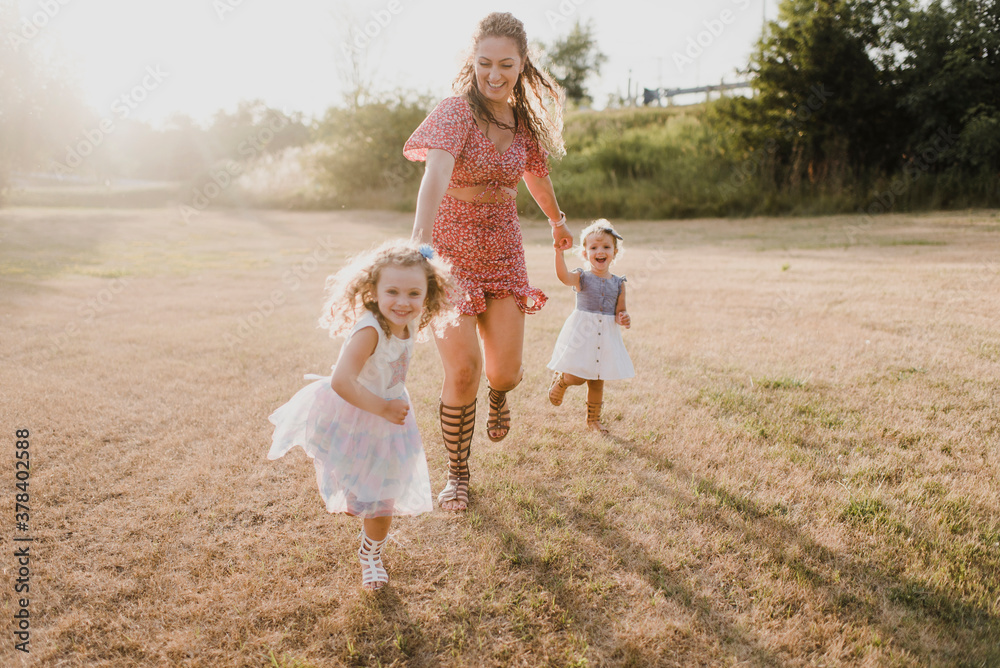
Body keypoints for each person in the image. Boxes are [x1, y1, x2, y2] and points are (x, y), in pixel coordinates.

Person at [403, 12, 572, 512]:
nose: (494, 75)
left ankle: (499, 397)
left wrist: (558, 221)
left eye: (505, 65)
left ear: (522, 66)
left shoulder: (523, 125)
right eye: (484, 64)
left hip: (502, 247)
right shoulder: (454, 112)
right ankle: (458, 475)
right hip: (450, 251)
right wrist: (420, 238)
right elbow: (434, 177)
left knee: (506, 373)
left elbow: (535, 178)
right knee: (463, 371)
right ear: (471, 62)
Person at [267, 241, 456, 591]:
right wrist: (382, 407)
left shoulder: (411, 319)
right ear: (373, 290)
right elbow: (341, 380)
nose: (403, 301)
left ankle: (371, 553)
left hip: (390, 418)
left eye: (415, 293)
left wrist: (388, 407)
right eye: (393, 292)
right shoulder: (370, 330)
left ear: (429, 294)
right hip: (356, 411)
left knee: (383, 498)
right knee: (364, 494)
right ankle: (365, 513)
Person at [547, 219, 635, 434]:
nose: (600, 251)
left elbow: (620, 311)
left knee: (597, 380)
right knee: (579, 376)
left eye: (606, 247)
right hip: (582, 334)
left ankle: (593, 420)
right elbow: (563, 277)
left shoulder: (619, 283)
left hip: (605, 336)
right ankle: (563, 379)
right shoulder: (582, 277)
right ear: (585, 253)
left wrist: (623, 318)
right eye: (593, 247)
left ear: (614, 252)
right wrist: (559, 254)